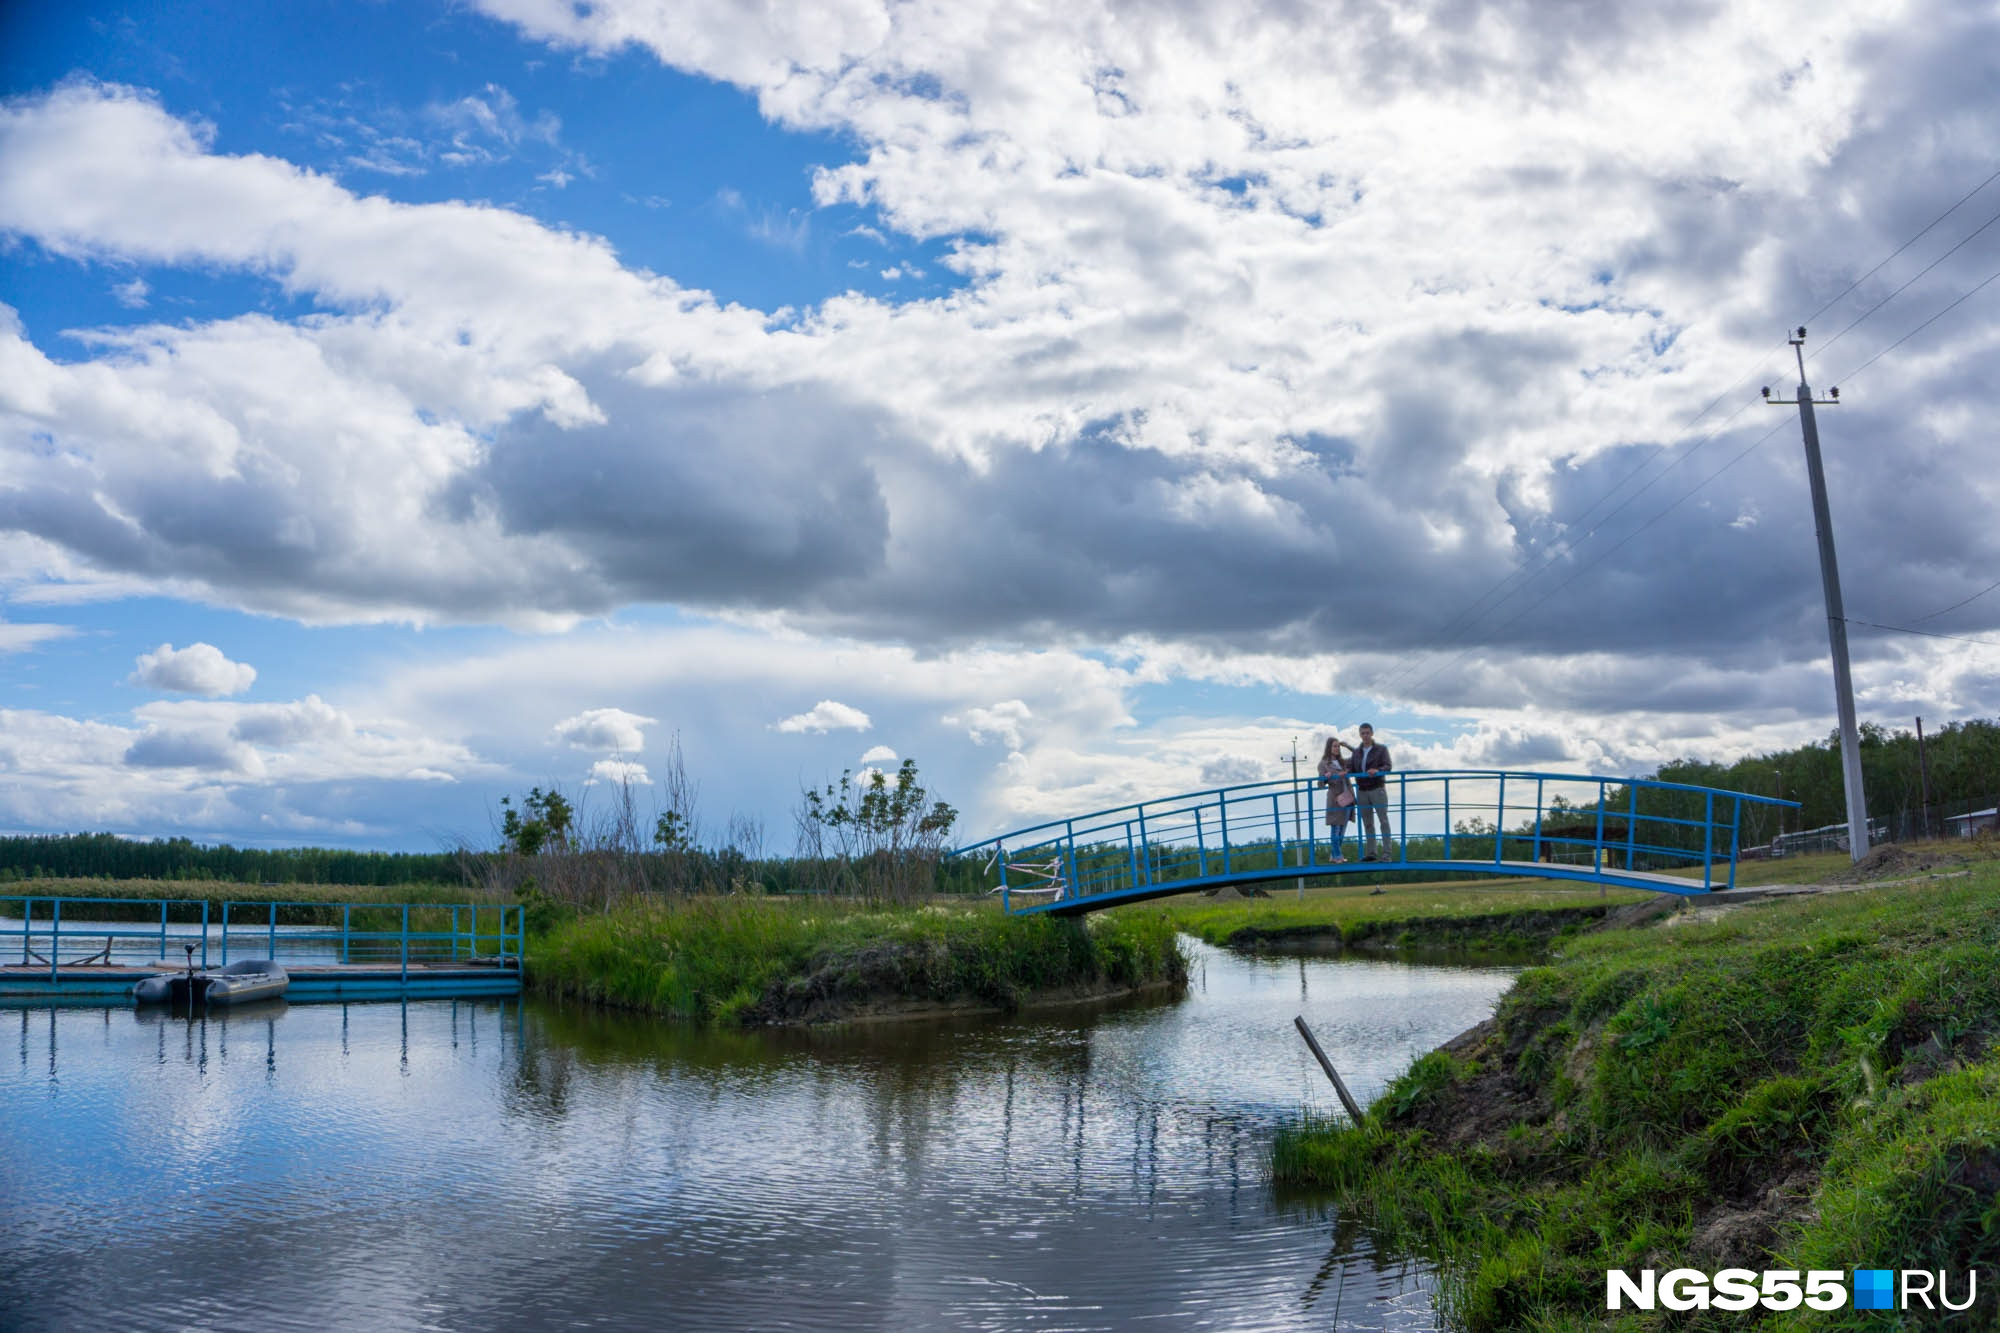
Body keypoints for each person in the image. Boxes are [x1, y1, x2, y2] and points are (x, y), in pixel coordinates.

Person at [1346, 723, 1394, 860]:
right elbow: (1351, 768)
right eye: (1363, 733)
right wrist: (1345, 772)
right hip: (1362, 791)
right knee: (1367, 823)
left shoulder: (1381, 749)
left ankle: (1387, 853)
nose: (1365, 736)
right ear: (1360, 735)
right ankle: (1371, 853)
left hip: (1377, 788)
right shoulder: (1357, 752)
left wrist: (1378, 771)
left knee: (1383, 821)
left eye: (1367, 733)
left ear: (1372, 733)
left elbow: (1388, 766)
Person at [1317, 736, 1353, 862]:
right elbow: (1320, 784)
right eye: (1334, 746)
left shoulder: (1343, 762)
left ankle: (1334, 855)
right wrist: (1326, 778)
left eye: (1338, 746)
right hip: (1335, 799)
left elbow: (1358, 756)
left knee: (1342, 829)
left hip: (1347, 797)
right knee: (1336, 828)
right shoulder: (1323, 763)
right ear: (1329, 747)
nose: (1337, 748)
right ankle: (1337, 856)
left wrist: (1347, 746)